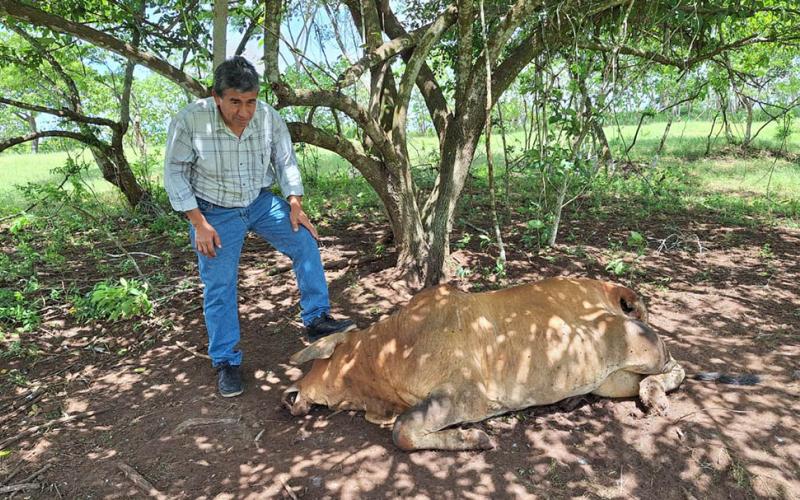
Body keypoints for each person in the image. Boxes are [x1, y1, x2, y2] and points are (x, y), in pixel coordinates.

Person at [164, 56, 355, 398]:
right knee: (219, 285)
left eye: (250, 102)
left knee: (305, 241)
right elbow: (175, 173)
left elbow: (285, 161)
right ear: (217, 96)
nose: (244, 112)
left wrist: (295, 203)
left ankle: (316, 319)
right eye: (235, 102)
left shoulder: (268, 117)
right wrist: (199, 223)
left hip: (258, 201)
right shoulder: (191, 120)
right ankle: (226, 361)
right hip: (214, 211)